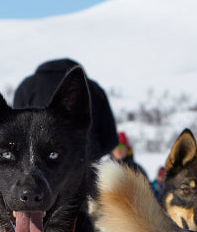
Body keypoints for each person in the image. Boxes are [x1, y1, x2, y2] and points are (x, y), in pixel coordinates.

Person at [12, 59, 143, 175]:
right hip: (82, 170)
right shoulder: (93, 88)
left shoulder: (27, 87)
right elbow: (110, 140)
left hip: (36, 172)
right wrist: (92, 154)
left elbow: (17, 132)